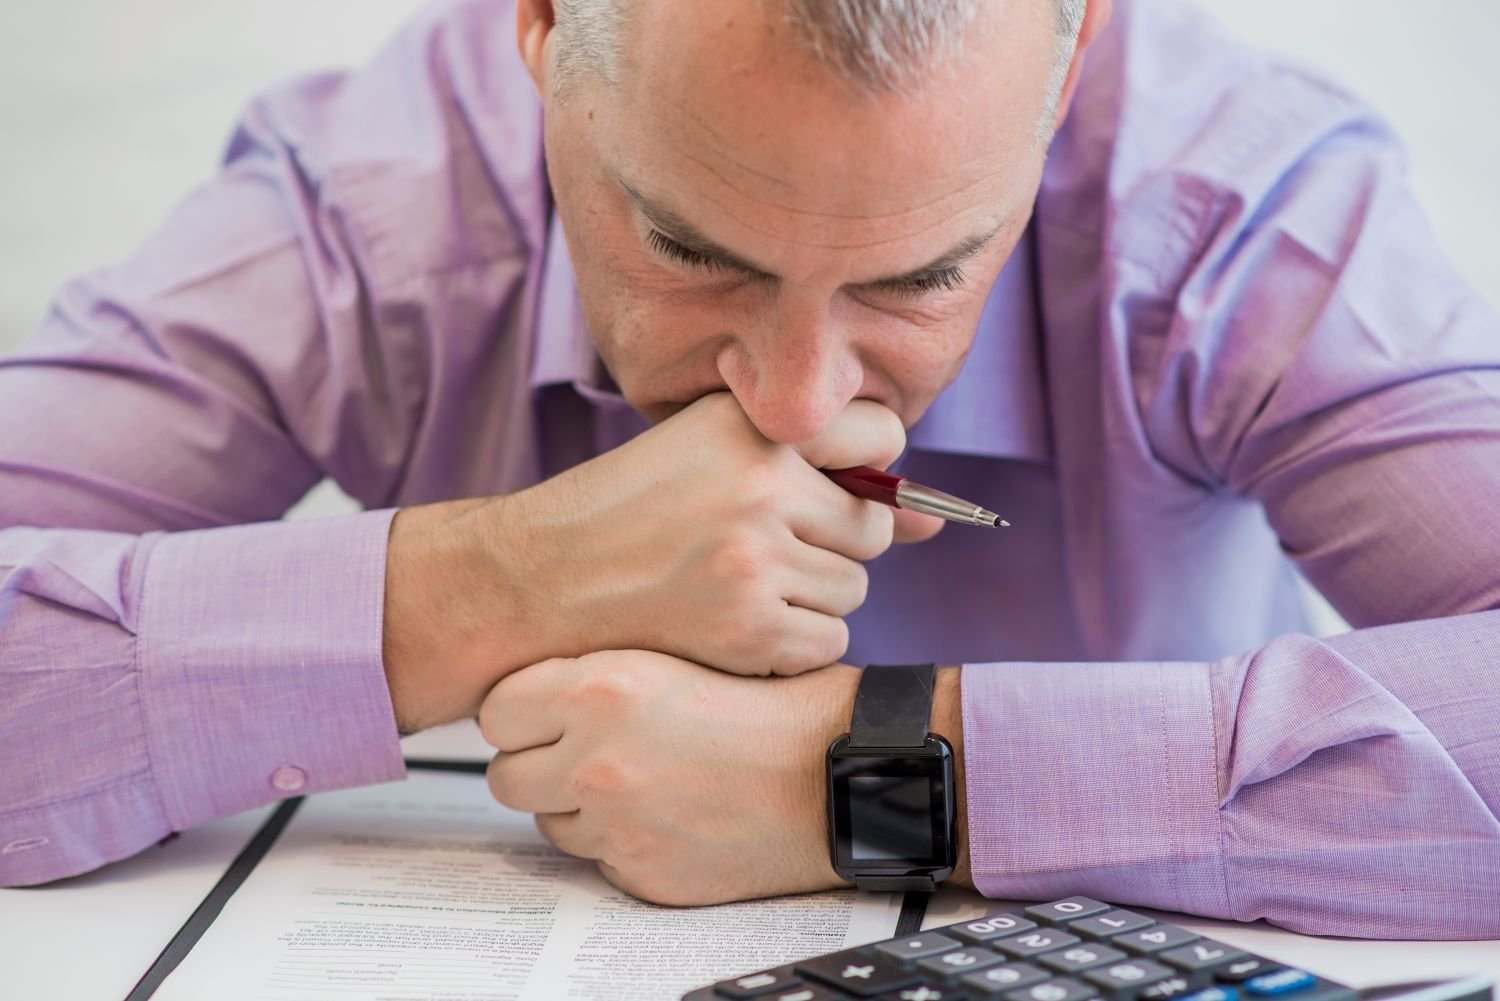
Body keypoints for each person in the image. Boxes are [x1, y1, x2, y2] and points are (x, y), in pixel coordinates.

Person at [1, 0, 1497, 939]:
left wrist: (867, 775)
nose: (790, 402)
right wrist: (502, 576)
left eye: (920, 277)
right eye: (685, 246)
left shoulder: (1237, 208)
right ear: (539, 31)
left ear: (1070, 67)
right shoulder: (377, 205)